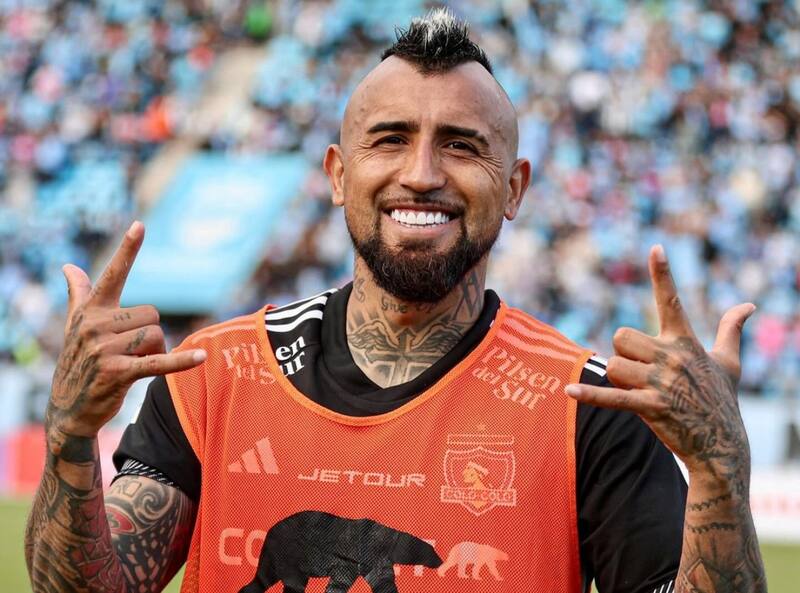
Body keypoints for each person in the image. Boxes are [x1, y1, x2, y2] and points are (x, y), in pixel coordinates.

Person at [25, 9, 766, 593]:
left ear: (515, 188)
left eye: (462, 145)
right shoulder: (210, 376)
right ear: (338, 175)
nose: (421, 173)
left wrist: (719, 471)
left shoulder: (590, 409)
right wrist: (69, 435)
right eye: (390, 139)